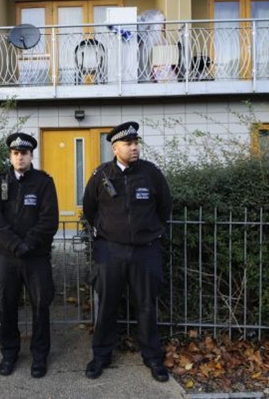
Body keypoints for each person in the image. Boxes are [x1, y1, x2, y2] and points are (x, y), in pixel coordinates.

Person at [82, 121, 172, 382]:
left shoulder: (151, 174)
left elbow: (164, 206)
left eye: (136, 143)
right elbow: (89, 208)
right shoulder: (101, 175)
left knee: (146, 306)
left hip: (146, 251)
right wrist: (106, 230)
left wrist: (151, 231)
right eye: (128, 144)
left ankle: (152, 357)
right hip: (111, 252)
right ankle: (101, 355)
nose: (134, 148)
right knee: (107, 305)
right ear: (115, 147)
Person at [0, 132, 59, 378]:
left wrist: (28, 244)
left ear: (31, 155)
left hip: (36, 257)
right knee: (6, 306)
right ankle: (10, 353)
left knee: (41, 305)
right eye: (15, 153)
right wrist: (17, 245)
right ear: (10, 155)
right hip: (8, 258)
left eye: (24, 153)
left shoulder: (44, 183)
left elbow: (49, 220)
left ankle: (39, 356)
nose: (20, 157)